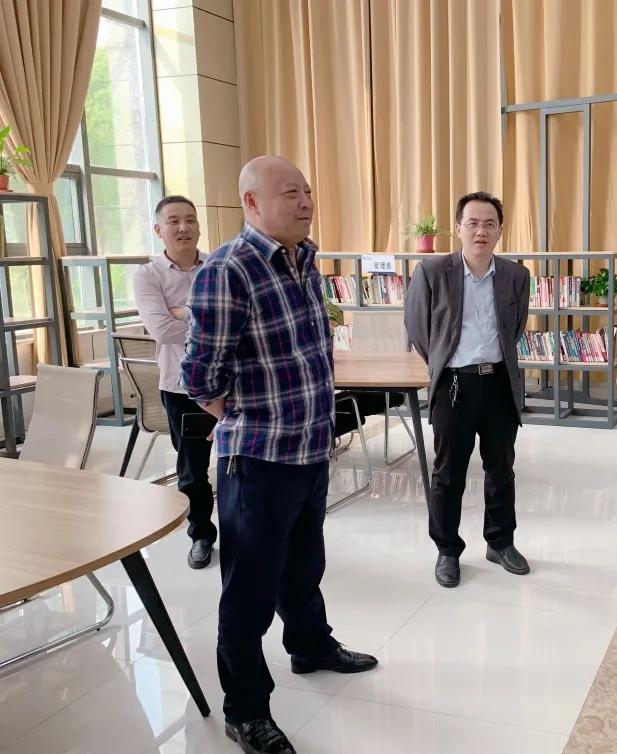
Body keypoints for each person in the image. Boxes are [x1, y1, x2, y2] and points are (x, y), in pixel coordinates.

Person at [181, 155, 377, 754]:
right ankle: (245, 710)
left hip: (310, 449)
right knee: (249, 592)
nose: (305, 201)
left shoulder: (304, 259)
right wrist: (245, 420)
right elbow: (199, 375)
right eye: (290, 192)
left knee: (303, 565)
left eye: (307, 191)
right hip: (258, 461)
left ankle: (310, 645)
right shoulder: (228, 270)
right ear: (251, 202)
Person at [404, 191, 531, 588]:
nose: (481, 231)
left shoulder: (516, 276)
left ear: (500, 231)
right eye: (472, 223)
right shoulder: (432, 272)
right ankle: (447, 550)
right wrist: (446, 361)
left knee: (501, 469)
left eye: (489, 224)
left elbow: (515, 329)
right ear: (458, 227)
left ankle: (500, 542)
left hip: (499, 383)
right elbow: (418, 329)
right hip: (454, 385)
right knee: (448, 473)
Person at [132, 195, 216, 569]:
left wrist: (183, 311)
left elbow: (242, 322)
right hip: (182, 388)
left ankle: (248, 533)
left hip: (233, 383)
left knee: (245, 464)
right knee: (193, 472)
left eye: (191, 220)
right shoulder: (148, 275)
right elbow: (163, 331)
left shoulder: (218, 267)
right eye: (174, 221)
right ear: (158, 230)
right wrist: (209, 317)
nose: (184, 228)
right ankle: (201, 535)